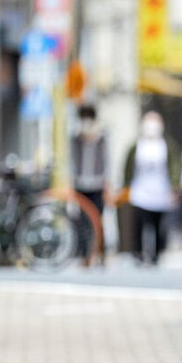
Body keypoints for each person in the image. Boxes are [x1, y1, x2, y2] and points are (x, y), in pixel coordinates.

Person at [122, 110, 179, 264]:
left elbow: (175, 167)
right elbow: (128, 168)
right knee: (138, 224)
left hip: (160, 191)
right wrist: (126, 187)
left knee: (158, 225)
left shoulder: (167, 145)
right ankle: (138, 252)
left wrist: (174, 187)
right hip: (140, 192)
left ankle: (156, 254)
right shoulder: (137, 145)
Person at [70, 104, 108, 262]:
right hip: (80, 185)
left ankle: (100, 251)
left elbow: (107, 162)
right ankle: (85, 253)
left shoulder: (101, 140)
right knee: (82, 220)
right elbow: (71, 161)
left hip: (97, 185)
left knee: (98, 219)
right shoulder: (76, 140)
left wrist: (107, 184)